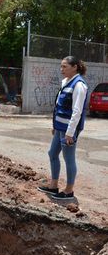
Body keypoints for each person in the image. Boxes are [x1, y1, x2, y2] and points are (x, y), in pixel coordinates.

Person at [38, 56, 88, 200]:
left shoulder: (79, 85)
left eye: (65, 67)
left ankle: (69, 190)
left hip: (69, 130)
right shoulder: (66, 82)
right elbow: (58, 106)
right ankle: (53, 185)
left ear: (75, 67)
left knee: (69, 158)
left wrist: (70, 133)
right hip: (60, 127)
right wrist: (55, 125)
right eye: (61, 66)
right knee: (52, 153)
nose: (62, 69)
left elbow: (77, 112)